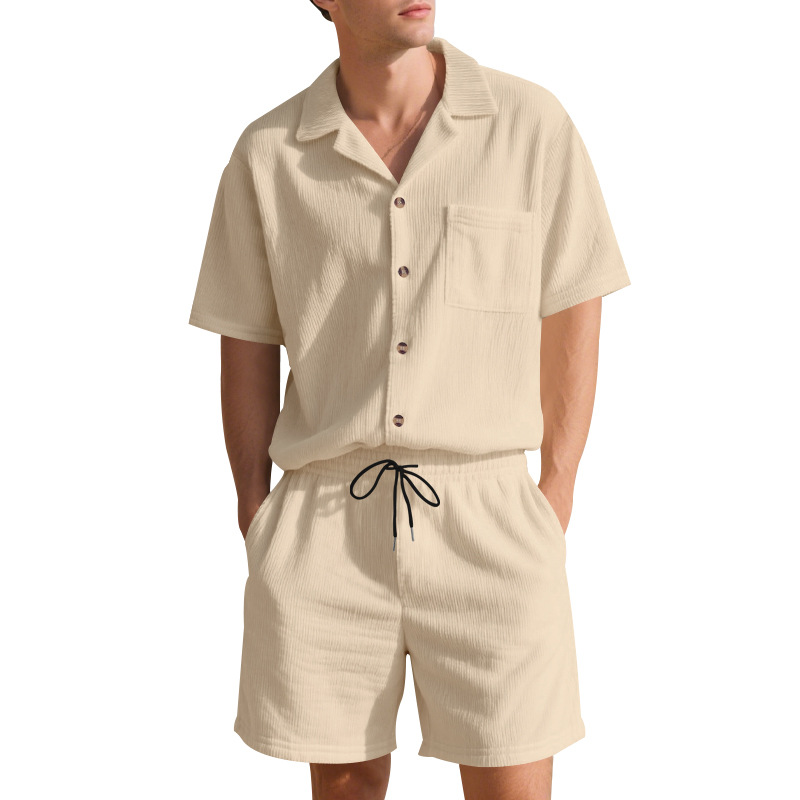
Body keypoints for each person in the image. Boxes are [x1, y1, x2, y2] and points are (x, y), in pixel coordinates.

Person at [188, 1, 631, 797]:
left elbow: (575, 299)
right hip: (326, 521)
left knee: (512, 787)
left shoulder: (529, 125)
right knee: (346, 788)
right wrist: (256, 509)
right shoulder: (270, 153)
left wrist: (556, 487)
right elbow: (247, 338)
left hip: (490, 516)